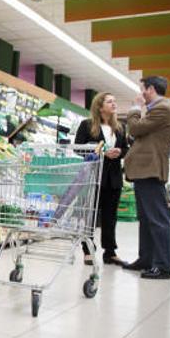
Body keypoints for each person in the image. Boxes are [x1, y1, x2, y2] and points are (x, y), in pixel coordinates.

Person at [122, 76, 170, 279]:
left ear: (151, 89)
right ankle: (146, 259)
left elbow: (135, 128)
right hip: (144, 171)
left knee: (157, 220)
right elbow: (141, 135)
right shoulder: (157, 110)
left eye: (142, 89)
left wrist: (134, 110)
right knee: (146, 219)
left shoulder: (163, 108)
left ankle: (163, 266)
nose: (141, 93)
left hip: (150, 171)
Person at [75, 92, 128, 266]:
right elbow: (78, 148)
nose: (114, 104)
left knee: (110, 217)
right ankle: (87, 250)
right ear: (99, 106)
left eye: (115, 101)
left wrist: (120, 152)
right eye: (109, 101)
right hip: (93, 176)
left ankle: (110, 252)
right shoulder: (87, 125)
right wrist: (102, 153)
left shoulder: (120, 128)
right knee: (90, 214)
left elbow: (126, 149)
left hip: (113, 178)